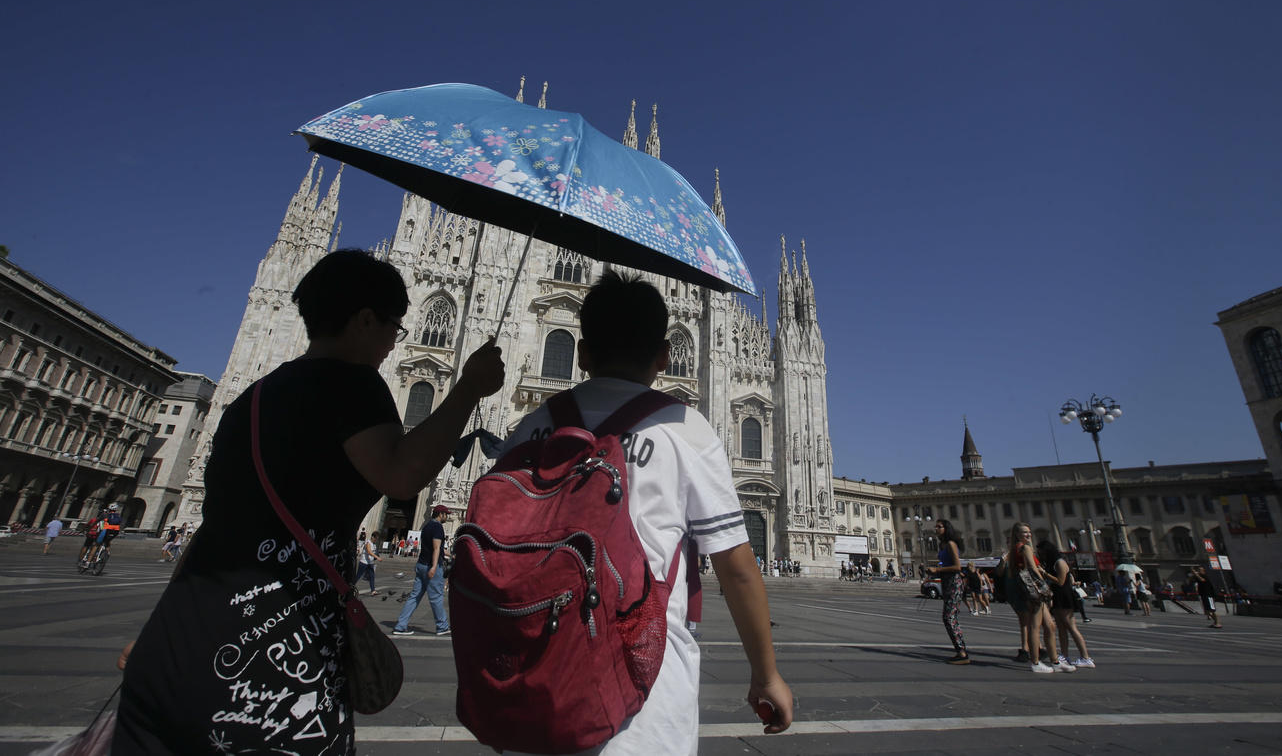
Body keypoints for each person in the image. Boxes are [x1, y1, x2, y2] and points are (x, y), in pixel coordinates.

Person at [113, 249, 505, 755]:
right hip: (273, 652)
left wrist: (155, 630)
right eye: (394, 327)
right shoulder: (351, 384)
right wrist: (468, 389)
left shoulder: (248, 402)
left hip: (177, 640)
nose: (393, 343)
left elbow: (215, 529)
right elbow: (402, 476)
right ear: (365, 320)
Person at [494, 272, 792, 752]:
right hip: (644, 702)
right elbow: (736, 569)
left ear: (583, 352)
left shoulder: (529, 426)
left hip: (533, 686)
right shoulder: (685, 428)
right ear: (663, 357)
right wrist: (766, 673)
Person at [1003, 523, 1073, 674]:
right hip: (1035, 591)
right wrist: (1044, 588)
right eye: (1025, 532)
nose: (1029, 535)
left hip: (1028, 591)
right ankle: (1035, 662)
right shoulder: (1025, 548)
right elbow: (1032, 569)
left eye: (1029, 532)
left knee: (1050, 625)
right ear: (1018, 534)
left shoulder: (1014, 550)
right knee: (1035, 626)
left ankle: (1055, 661)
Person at [393, 504, 452, 636]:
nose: (446, 517)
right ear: (440, 514)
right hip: (430, 566)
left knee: (414, 596)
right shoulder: (437, 527)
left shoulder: (426, 526)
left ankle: (400, 626)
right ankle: (442, 626)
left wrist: (451, 554)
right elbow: (436, 549)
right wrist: (434, 566)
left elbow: (436, 548)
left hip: (421, 565)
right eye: (445, 514)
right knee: (436, 597)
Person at [1037, 540, 1094, 669]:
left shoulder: (1060, 562)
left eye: (1042, 553)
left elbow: (1061, 581)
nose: (1042, 556)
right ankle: (1064, 655)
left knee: (1071, 627)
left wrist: (1044, 573)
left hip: (1064, 596)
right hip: (1058, 596)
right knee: (1061, 628)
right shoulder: (1053, 563)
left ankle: (1086, 657)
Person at [923, 519, 969, 665]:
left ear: (946, 529)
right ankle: (960, 650)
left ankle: (962, 652)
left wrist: (937, 570)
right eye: (936, 526)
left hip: (954, 582)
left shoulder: (950, 544)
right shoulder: (942, 546)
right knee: (949, 617)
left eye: (939, 527)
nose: (936, 529)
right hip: (947, 582)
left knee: (949, 617)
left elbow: (957, 567)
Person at [355, 530, 378, 596]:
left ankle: (373, 591)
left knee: (372, 576)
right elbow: (369, 551)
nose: (376, 540)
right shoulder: (368, 542)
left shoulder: (374, 544)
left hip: (370, 563)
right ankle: (350, 586)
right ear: (373, 537)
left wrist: (375, 557)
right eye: (376, 538)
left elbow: (373, 552)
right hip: (364, 562)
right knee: (358, 576)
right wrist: (377, 557)